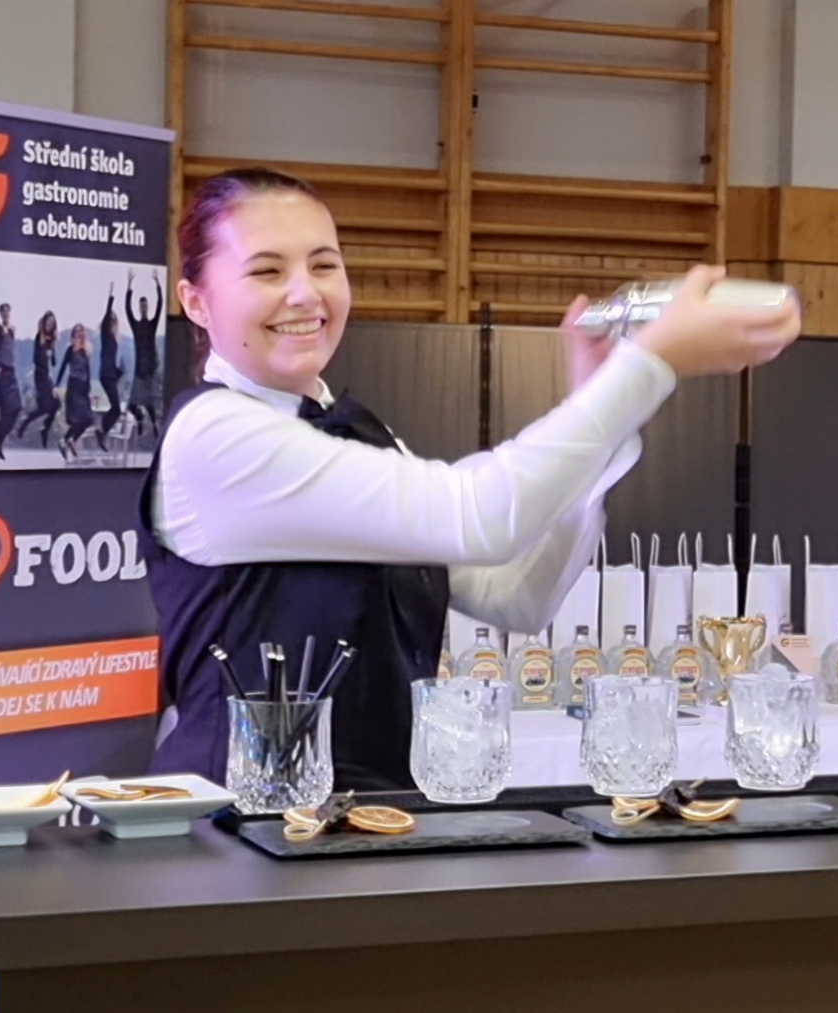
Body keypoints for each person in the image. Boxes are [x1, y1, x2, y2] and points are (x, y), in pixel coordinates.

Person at [141, 168, 800, 790]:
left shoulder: (355, 431)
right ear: (196, 301)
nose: (305, 293)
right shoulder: (215, 437)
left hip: (366, 819)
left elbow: (515, 595)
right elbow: (479, 516)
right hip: (242, 829)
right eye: (267, 270)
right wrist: (649, 365)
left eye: (324, 265)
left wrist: (601, 408)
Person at [126, 268, 165, 435]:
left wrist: (158, 284)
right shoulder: (136, 326)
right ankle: (141, 419)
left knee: (148, 401)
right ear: (139, 308)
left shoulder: (151, 324)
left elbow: (160, 305)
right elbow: (127, 310)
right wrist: (129, 287)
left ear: (147, 308)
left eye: (145, 305)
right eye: (141, 306)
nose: (143, 308)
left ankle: (154, 423)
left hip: (148, 367)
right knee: (132, 404)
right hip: (139, 369)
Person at [16, 311, 61, 445]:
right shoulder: (39, 337)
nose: (49, 325)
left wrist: (52, 352)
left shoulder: (51, 339)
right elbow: (36, 359)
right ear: (44, 322)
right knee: (47, 406)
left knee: (54, 405)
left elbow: (53, 363)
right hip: (40, 375)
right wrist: (45, 353)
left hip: (47, 374)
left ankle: (42, 427)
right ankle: (28, 424)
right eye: (48, 322)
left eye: (52, 323)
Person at [0, 302, 22, 462]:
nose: (6, 314)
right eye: (3, 312)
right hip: (2, 375)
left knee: (16, 408)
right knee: (6, 412)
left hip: (12, 373)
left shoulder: (13, 329)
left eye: (8, 312)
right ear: (0, 314)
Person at [54, 323, 95, 458]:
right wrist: (56, 385)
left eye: (81, 333)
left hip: (84, 388)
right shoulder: (70, 350)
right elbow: (62, 367)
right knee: (78, 419)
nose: (80, 336)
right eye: (77, 333)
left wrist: (89, 387)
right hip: (74, 386)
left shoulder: (85, 352)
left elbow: (88, 371)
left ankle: (69, 439)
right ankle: (66, 440)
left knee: (88, 419)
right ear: (73, 336)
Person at [97, 285, 124, 449]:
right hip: (106, 375)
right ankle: (102, 430)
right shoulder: (106, 335)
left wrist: (119, 372)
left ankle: (102, 431)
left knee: (116, 409)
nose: (113, 323)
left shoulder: (113, 340)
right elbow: (106, 317)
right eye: (111, 321)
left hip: (110, 374)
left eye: (114, 321)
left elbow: (111, 360)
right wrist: (110, 300)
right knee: (116, 409)